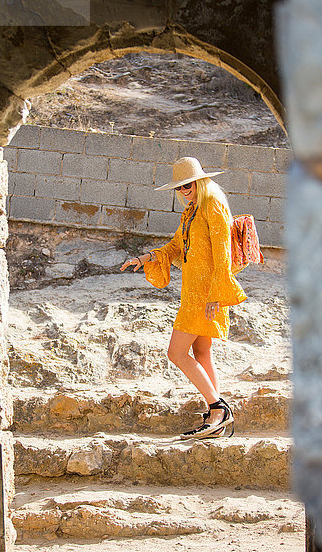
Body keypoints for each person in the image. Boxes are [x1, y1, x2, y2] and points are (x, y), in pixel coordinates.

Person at [120, 156, 247, 439]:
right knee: (201, 352)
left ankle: (218, 409)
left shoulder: (213, 203)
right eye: (178, 187)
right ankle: (217, 421)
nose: (183, 190)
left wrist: (217, 293)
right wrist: (146, 257)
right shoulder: (191, 210)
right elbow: (177, 246)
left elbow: (223, 252)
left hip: (206, 294)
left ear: (200, 181)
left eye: (187, 185)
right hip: (193, 289)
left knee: (176, 353)